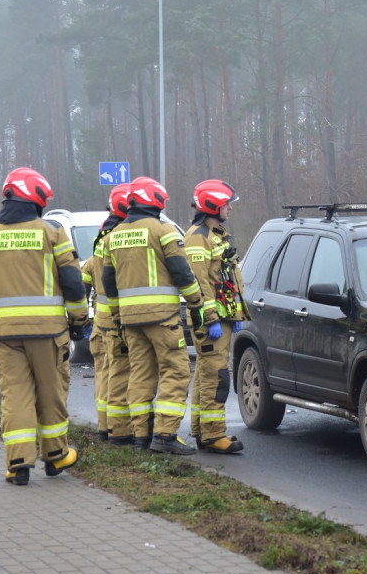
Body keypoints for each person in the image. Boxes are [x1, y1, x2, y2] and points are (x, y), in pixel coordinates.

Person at [0, 167, 89, 485]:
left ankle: (18, 463)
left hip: (5, 335)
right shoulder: (52, 233)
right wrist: (78, 322)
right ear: (35, 199)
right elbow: (74, 283)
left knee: (15, 395)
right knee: (51, 393)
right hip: (49, 333)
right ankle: (56, 456)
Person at [102, 176, 205, 454]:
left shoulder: (113, 236)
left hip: (130, 321)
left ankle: (141, 436)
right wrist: (196, 303)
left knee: (140, 375)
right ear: (155, 200)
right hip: (163, 319)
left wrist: (117, 317)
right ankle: (165, 435)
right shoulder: (164, 230)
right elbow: (182, 272)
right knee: (176, 371)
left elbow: (109, 284)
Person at [185, 180, 249, 454]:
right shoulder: (198, 237)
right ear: (213, 206)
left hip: (219, 319)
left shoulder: (214, 235)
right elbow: (200, 284)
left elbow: (224, 278)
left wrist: (233, 313)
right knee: (216, 376)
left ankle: (202, 430)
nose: (230, 209)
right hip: (210, 322)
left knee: (205, 374)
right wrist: (211, 320)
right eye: (226, 205)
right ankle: (214, 435)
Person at [81, 183, 132, 443]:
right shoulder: (121, 237)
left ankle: (104, 425)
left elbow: (86, 273)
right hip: (116, 318)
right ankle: (119, 430)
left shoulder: (102, 235)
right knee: (120, 373)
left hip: (100, 319)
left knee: (102, 372)